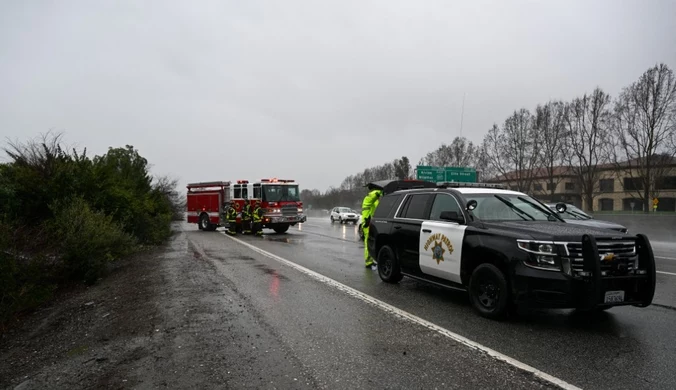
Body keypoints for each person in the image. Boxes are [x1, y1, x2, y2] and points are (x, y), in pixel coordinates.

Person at [361, 183, 383, 268]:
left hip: (371, 222)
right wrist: (382, 191)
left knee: (371, 242)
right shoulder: (369, 197)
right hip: (367, 223)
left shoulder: (375, 200)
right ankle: (368, 262)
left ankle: (370, 260)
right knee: (368, 243)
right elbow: (375, 195)